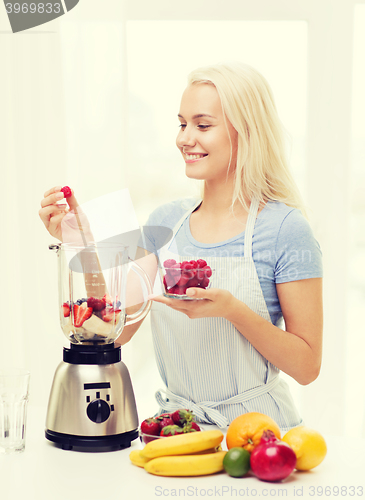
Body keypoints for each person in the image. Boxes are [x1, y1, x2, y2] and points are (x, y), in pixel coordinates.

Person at [39, 61, 323, 432]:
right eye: (182, 123)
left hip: (262, 435)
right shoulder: (165, 223)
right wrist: (82, 243)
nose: (184, 138)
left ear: (247, 132)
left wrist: (231, 310)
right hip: (181, 430)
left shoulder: (286, 229)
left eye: (202, 125)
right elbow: (111, 329)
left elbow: (307, 366)